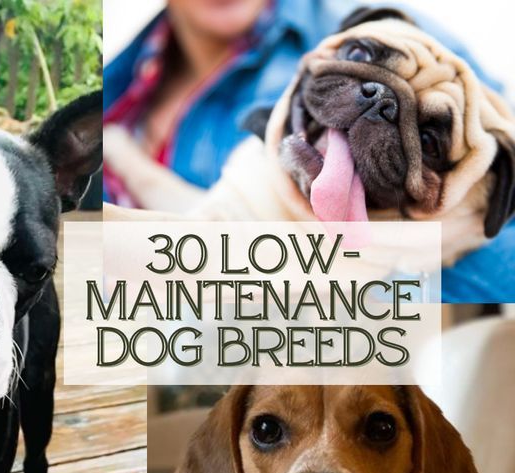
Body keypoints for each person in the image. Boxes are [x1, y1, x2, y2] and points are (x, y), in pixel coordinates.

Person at [104, 0, 515, 303]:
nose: (374, 104)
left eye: (427, 141)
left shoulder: (395, 24)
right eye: (360, 56)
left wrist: (390, 272)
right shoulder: (111, 81)